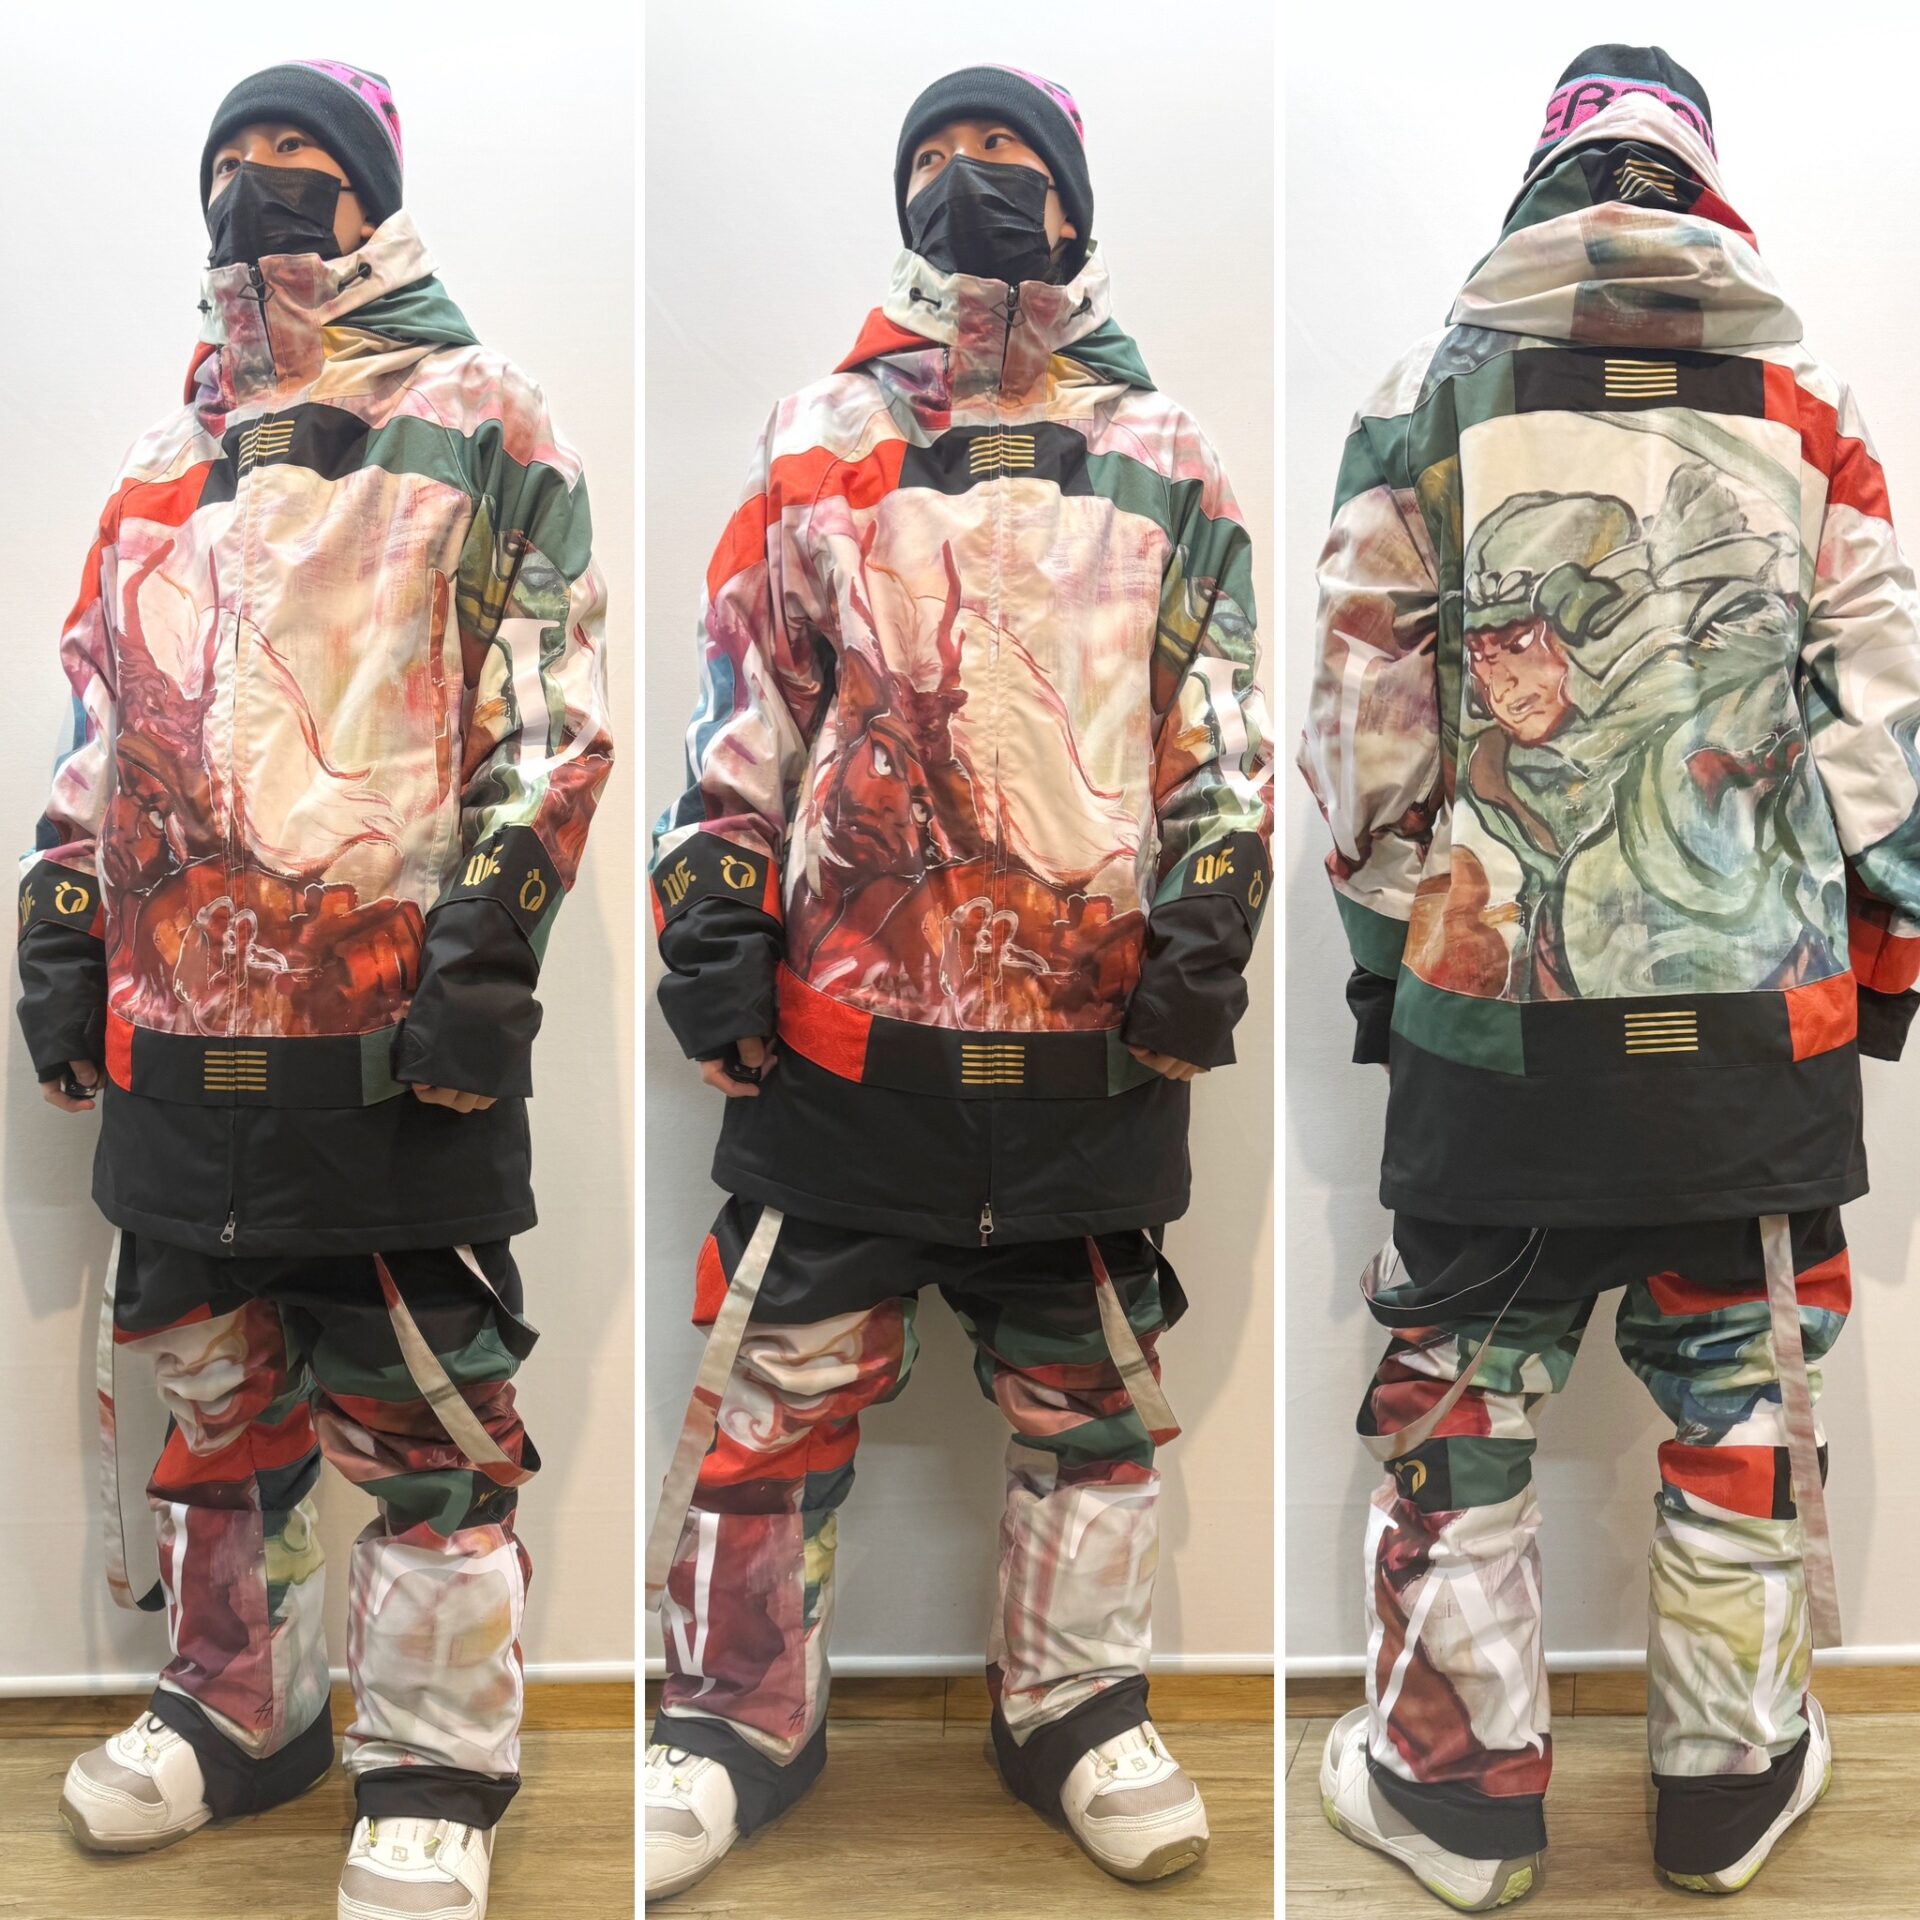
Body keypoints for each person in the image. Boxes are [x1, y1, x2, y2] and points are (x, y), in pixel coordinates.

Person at [643, 62, 1272, 1902]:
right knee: (771, 1391)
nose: (967, 178)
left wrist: (1207, 927)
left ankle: (1075, 1712)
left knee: (1091, 1403)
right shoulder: (818, 437)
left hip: (1088, 1054)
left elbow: (1219, 728)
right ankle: (734, 1717)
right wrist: (713, 921)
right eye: (935, 155)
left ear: (1072, 200)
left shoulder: (1163, 451)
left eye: (1004, 152)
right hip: (845, 1047)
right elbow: (745, 707)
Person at [1299, 44, 1920, 1909]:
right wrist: (1885, 955)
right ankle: (1727, 1795)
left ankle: (1462, 1804)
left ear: (1546, 176)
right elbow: (1884, 718)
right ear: (1700, 177)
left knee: (1463, 1395)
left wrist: (1391, 962)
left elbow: (1361, 726)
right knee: (1744, 1388)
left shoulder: (1428, 393)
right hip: (1755, 1029)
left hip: (1496, 1028)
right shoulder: (1808, 405)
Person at [16, 59, 612, 1920]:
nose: (260, 183)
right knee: (217, 1410)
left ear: (372, 194)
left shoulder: (481, 415)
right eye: (234, 158)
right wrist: (59, 927)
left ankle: (434, 1764)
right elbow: (103, 731)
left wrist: (483, 960)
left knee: (428, 1425)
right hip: (181, 1052)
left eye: (300, 154)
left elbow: (552, 719)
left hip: (389, 1053)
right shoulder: (161, 465)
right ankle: (235, 1708)